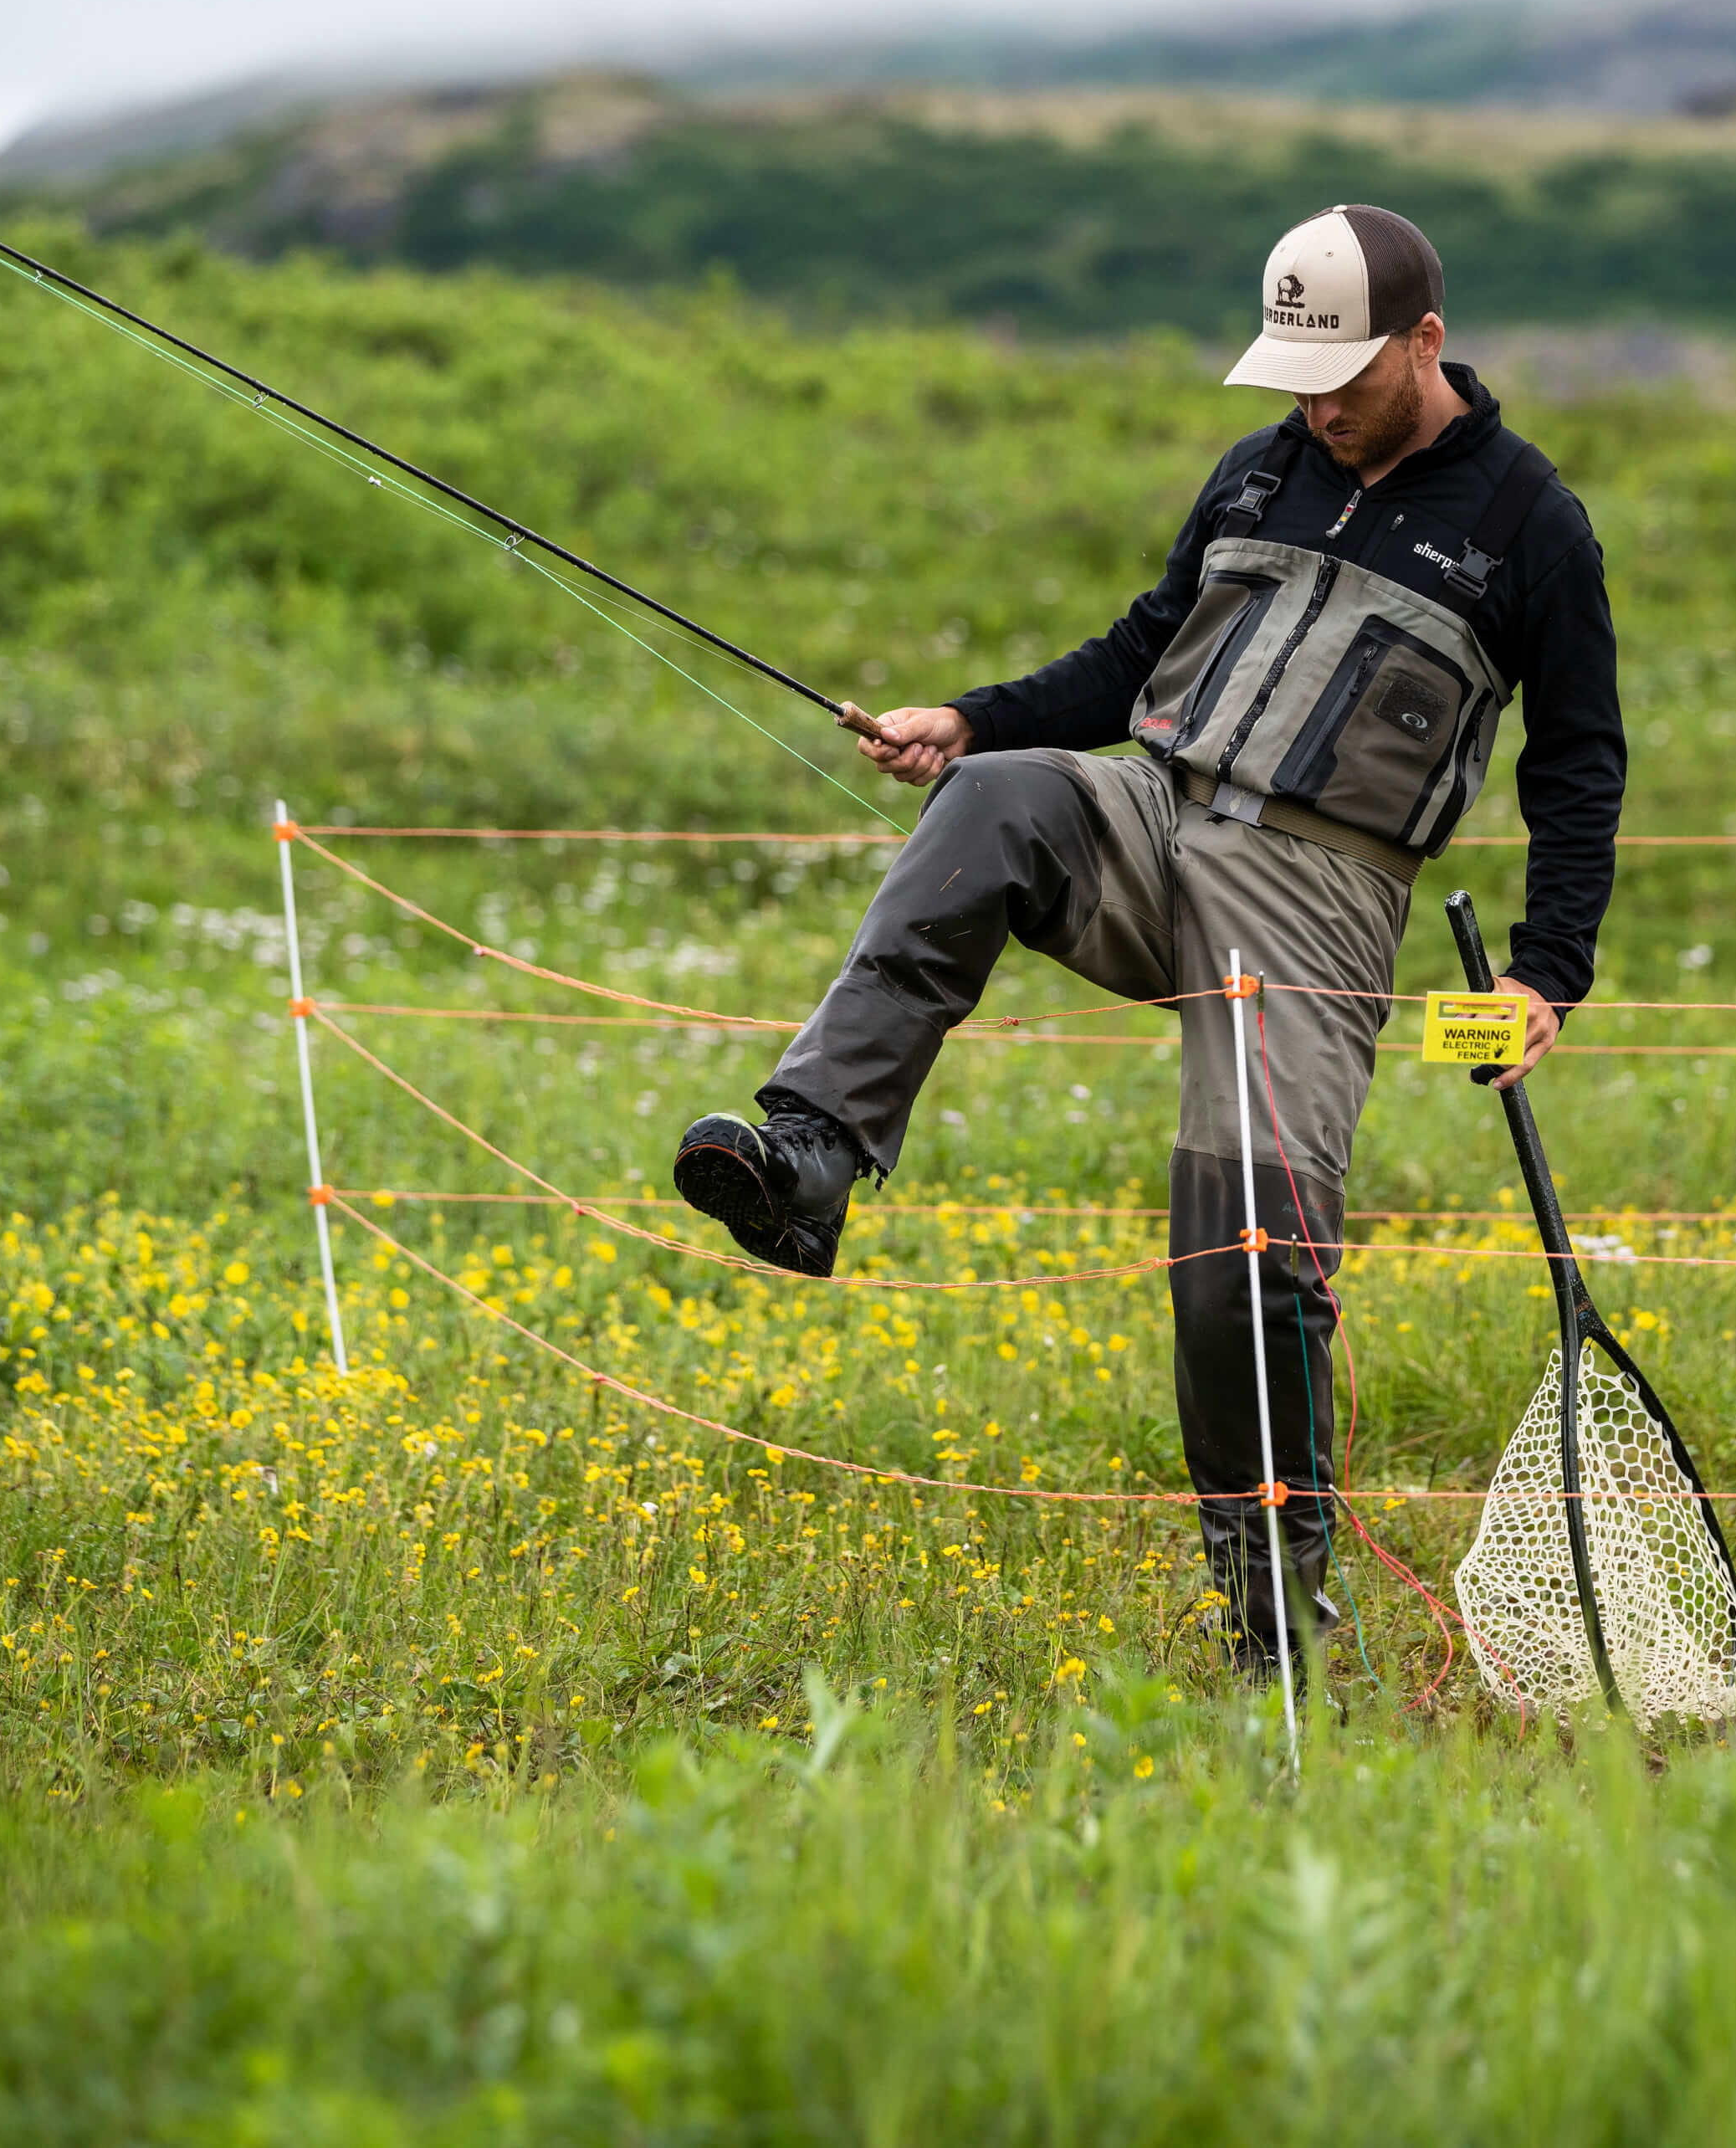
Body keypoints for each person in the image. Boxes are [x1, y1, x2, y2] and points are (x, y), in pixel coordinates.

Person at [673, 203, 1625, 1675]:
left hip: (1320, 887)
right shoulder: (1258, 467)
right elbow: (1137, 656)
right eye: (1296, 377)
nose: (1318, 408)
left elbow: (1579, 758)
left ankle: (1277, 1626)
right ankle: (809, 1158)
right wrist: (976, 719)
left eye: (1347, 379)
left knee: (1244, 1249)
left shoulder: (1529, 525)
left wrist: (1545, 968)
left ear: (1426, 342)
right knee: (993, 803)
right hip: (1149, 812)